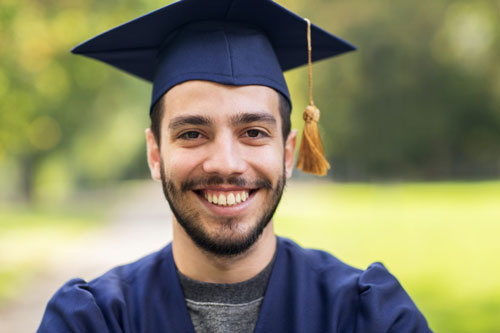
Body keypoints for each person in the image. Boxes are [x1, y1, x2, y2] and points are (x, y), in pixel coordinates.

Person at [38, 0, 432, 332]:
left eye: (254, 132)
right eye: (192, 133)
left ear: (288, 152)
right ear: (155, 154)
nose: (226, 163)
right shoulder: (95, 321)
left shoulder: (369, 317)